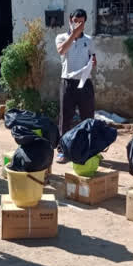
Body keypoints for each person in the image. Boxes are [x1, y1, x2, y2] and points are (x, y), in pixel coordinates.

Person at [55, 9, 96, 163]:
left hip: (85, 82)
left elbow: (93, 57)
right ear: (70, 20)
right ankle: (63, 151)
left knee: (87, 118)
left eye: (81, 22)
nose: (78, 24)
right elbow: (61, 50)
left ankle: (88, 150)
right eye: (75, 21)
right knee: (65, 118)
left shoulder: (89, 40)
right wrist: (73, 34)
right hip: (68, 83)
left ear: (85, 22)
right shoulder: (61, 37)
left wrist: (92, 63)